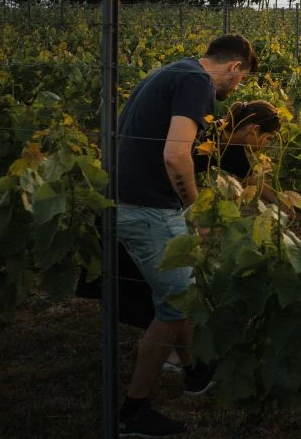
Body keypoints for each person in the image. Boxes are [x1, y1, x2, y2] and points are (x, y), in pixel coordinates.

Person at [113, 34, 257, 438]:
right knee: (176, 303)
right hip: (147, 207)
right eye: (241, 79)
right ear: (234, 67)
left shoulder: (173, 70)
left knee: (183, 289)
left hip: (129, 198)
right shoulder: (198, 83)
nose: (236, 89)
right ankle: (133, 411)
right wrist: (195, 208)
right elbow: (175, 154)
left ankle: (196, 372)